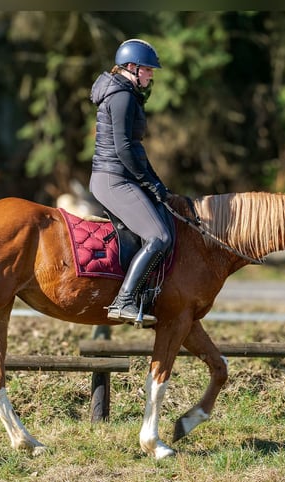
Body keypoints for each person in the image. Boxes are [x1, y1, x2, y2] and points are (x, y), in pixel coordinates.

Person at [89, 38, 174, 327]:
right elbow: (124, 148)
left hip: (119, 176)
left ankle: (147, 294)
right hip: (114, 178)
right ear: (132, 67)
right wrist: (146, 182)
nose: (151, 75)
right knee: (160, 237)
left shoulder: (124, 91)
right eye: (148, 70)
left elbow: (135, 148)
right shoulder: (121, 95)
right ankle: (124, 301)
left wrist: (155, 182)